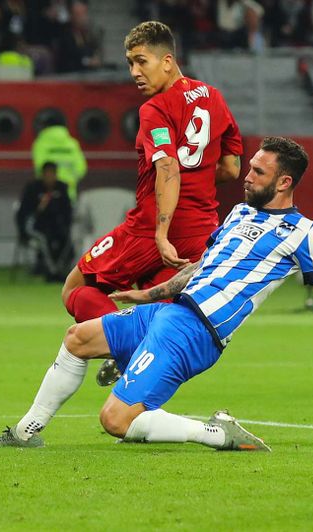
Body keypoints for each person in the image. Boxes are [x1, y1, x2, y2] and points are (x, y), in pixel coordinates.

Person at [0, 137, 313, 450]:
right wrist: (147, 295)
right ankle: (26, 432)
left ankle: (215, 432)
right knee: (78, 337)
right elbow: (199, 269)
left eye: (259, 173)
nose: (247, 176)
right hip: (169, 310)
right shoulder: (239, 212)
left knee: (115, 420)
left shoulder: (305, 232)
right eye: (250, 168)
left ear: (285, 182)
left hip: (196, 331)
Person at [62, 21, 242, 386]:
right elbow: (231, 167)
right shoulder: (213, 96)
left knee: (76, 289)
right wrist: (196, 180)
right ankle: (144, 373)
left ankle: (130, 351)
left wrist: (161, 231)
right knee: (164, 312)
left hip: (150, 228)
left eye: (141, 61)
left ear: (167, 61)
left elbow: (167, 166)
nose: (134, 72)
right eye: (130, 63)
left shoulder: (155, 109)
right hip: (204, 228)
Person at [16, 162, 73, 281]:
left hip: (56, 225)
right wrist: (40, 207)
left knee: (65, 239)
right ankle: (52, 272)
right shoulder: (32, 189)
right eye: (48, 174)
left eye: (53, 174)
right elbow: (23, 213)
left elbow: (67, 211)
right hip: (37, 226)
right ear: (42, 175)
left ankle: (62, 269)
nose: (50, 177)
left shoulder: (61, 188)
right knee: (45, 239)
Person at [31, 114, 86, 203]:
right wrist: (71, 180)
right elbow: (81, 169)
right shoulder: (72, 143)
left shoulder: (40, 143)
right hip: (69, 193)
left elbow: (39, 167)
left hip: (46, 194)